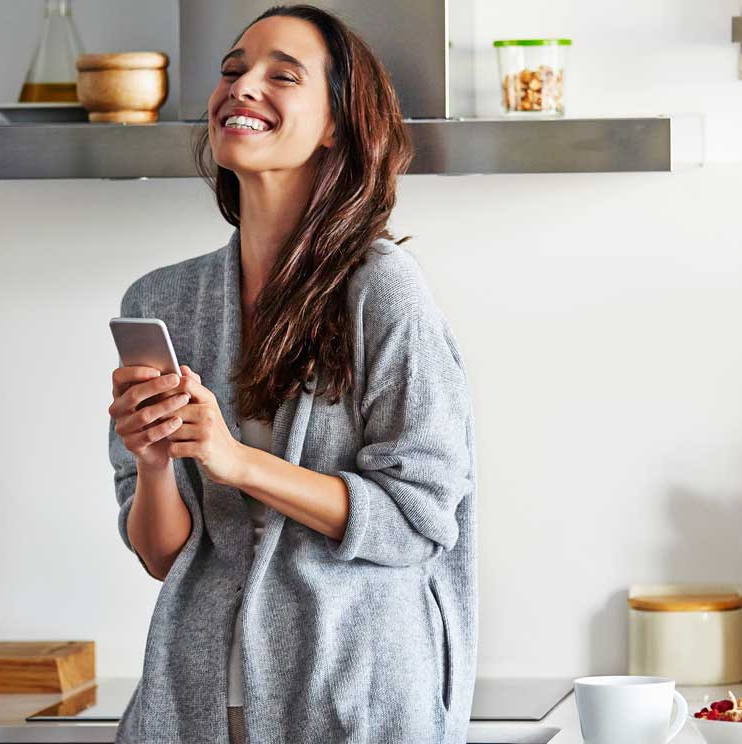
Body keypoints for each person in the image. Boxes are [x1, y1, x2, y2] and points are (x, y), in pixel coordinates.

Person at [106, 5, 477, 743]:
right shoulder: (162, 301)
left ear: (336, 122)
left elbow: (417, 520)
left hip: (354, 697)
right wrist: (153, 464)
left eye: (282, 74)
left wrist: (233, 460)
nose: (243, 87)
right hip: (198, 706)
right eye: (234, 69)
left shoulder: (382, 289)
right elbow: (161, 557)